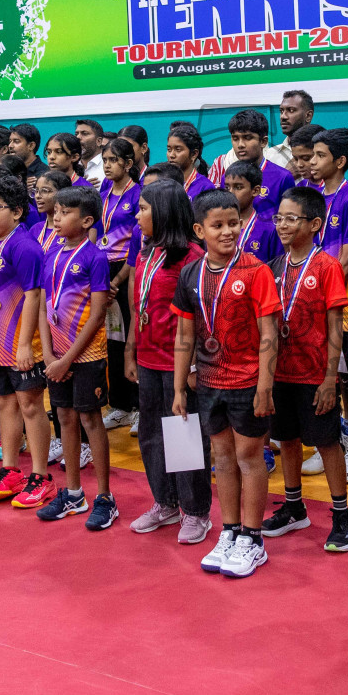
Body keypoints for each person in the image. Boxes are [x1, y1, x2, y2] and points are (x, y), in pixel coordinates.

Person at [172, 190, 281, 578]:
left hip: (248, 381)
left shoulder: (256, 271)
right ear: (200, 230)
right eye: (218, 226)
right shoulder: (190, 273)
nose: (228, 231)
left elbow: (269, 331)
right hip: (209, 382)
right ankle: (230, 530)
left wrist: (265, 384)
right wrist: (179, 387)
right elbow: (185, 332)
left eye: (233, 223)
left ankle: (253, 538)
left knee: (249, 458)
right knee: (221, 458)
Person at [259, 185, 348, 552]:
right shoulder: (274, 267)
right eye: (278, 217)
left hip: (316, 373)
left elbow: (335, 327)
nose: (281, 225)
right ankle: (295, 506)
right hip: (281, 371)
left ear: (315, 224)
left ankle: (342, 513)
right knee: (286, 439)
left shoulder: (327, 266)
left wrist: (331, 378)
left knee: (327, 441)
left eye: (290, 219)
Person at [125, 179, 212, 542]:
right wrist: (130, 348)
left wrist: (191, 366)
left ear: (163, 212)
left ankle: (195, 512)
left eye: (144, 208)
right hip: (147, 356)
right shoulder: (146, 251)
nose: (137, 214)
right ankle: (165, 501)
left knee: (184, 437)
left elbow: (199, 317)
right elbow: (139, 305)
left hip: (177, 362)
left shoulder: (192, 256)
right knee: (151, 434)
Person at [36, 186, 117, 528]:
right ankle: (72, 493)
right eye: (55, 211)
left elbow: (98, 313)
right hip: (56, 356)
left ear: (85, 221)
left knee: (89, 421)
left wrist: (67, 358)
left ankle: (105, 497)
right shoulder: (50, 253)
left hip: (85, 356)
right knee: (64, 420)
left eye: (64, 212)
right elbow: (42, 304)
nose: (56, 216)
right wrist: (49, 352)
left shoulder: (95, 257)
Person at [0, 177, 54, 508]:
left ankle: (40, 476)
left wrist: (24, 345)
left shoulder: (25, 247)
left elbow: (35, 296)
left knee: (30, 406)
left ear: (18, 211)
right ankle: (10, 470)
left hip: (24, 345)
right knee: (4, 403)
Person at [311, 128, 348, 482]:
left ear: (340, 162)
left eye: (319, 156)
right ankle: (336, 441)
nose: (312, 162)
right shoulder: (315, 194)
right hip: (316, 298)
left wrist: (317, 286)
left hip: (345, 306)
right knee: (326, 374)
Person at [97, 138, 143, 430]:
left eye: (113, 160)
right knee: (111, 340)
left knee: (130, 338)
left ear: (128, 164)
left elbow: (136, 246)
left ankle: (138, 406)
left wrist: (116, 281)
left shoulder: (137, 193)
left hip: (126, 270)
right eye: (104, 161)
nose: (107, 166)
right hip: (103, 268)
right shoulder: (103, 193)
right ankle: (120, 405)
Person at [212, 109, 294, 217]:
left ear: (263, 141)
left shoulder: (282, 177)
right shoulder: (227, 178)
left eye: (247, 138)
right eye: (235, 138)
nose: (240, 144)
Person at [221, 160, 282, 263]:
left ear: (255, 191)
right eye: (227, 187)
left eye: (238, 187)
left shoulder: (270, 229)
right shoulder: (216, 225)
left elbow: (277, 267)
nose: (230, 193)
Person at [165, 124, 214, 200]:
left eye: (178, 150)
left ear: (194, 154)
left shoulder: (205, 187)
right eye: (169, 150)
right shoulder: (163, 183)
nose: (171, 155)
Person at [274, 89, 314, 165]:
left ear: (308, 116)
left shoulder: (322, 152)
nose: (283, 116)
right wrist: (288, 174)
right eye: (281, 111)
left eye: (291, 110)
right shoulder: (270, 155)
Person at [8, 123, 49, 190]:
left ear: (31, 146)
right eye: (10, 141)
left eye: (16, 141)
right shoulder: (10, 171)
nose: (10, 146)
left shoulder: (44, 174)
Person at [75, 118, 106, 186]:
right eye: (76, 134)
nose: (78, 137)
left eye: (84, 134)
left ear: (99, 141)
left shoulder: (108, 166)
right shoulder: (71, 166)